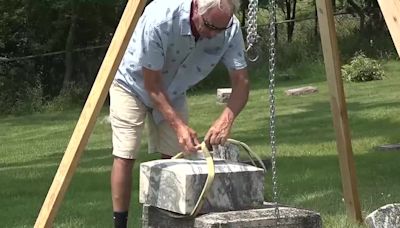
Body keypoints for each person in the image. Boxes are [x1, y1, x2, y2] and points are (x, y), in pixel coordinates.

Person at [109, 0, 249, 227]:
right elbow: (152, 85)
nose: (214, 35)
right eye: (209, 26)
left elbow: (241, 83)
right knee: (126, 153)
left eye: (220, 29)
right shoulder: (160, 18)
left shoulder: (229, 27)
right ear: (196, 8)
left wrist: (226, 119)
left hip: (174, 89)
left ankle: (168, 222)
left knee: (177, 158)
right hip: (132, 83)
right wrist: (179, 126)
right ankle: (120, 224)